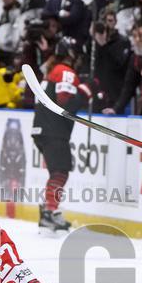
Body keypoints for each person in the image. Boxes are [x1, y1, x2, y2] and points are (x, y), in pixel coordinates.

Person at [31, 37, 91, 233]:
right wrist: (85, 91)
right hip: (54, 130)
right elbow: (65, 104)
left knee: (57, 172)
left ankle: (50, 211)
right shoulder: (65, 72)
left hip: (44, 129)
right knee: (60, 172)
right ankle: (49, 211)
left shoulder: (52, 71)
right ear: (71, 54)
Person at [88, 20, 131, 113]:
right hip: (96, 92)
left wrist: (104, 45)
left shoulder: (121, 42)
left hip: (114, 93)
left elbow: (118, 65)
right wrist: (91, 38)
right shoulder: (92, 44)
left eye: (111, 21)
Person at [0, 0, 22, 68]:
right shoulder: (3, 12)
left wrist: (17, 51)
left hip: (10, 52)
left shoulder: (18, 12)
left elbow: (18, 33)